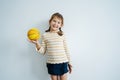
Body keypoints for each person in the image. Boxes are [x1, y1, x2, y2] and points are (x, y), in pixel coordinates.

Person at [29, 12, 72, 80]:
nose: (56, 24)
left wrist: (70, 62)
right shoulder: (45, 35)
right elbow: (43, 51)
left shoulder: (62, 35)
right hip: (52, 64)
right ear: (50, 22)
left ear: (61, 25)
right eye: (54, 21)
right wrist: (37, 43)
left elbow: (66, 49)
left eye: (58, 22)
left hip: (63, 62)